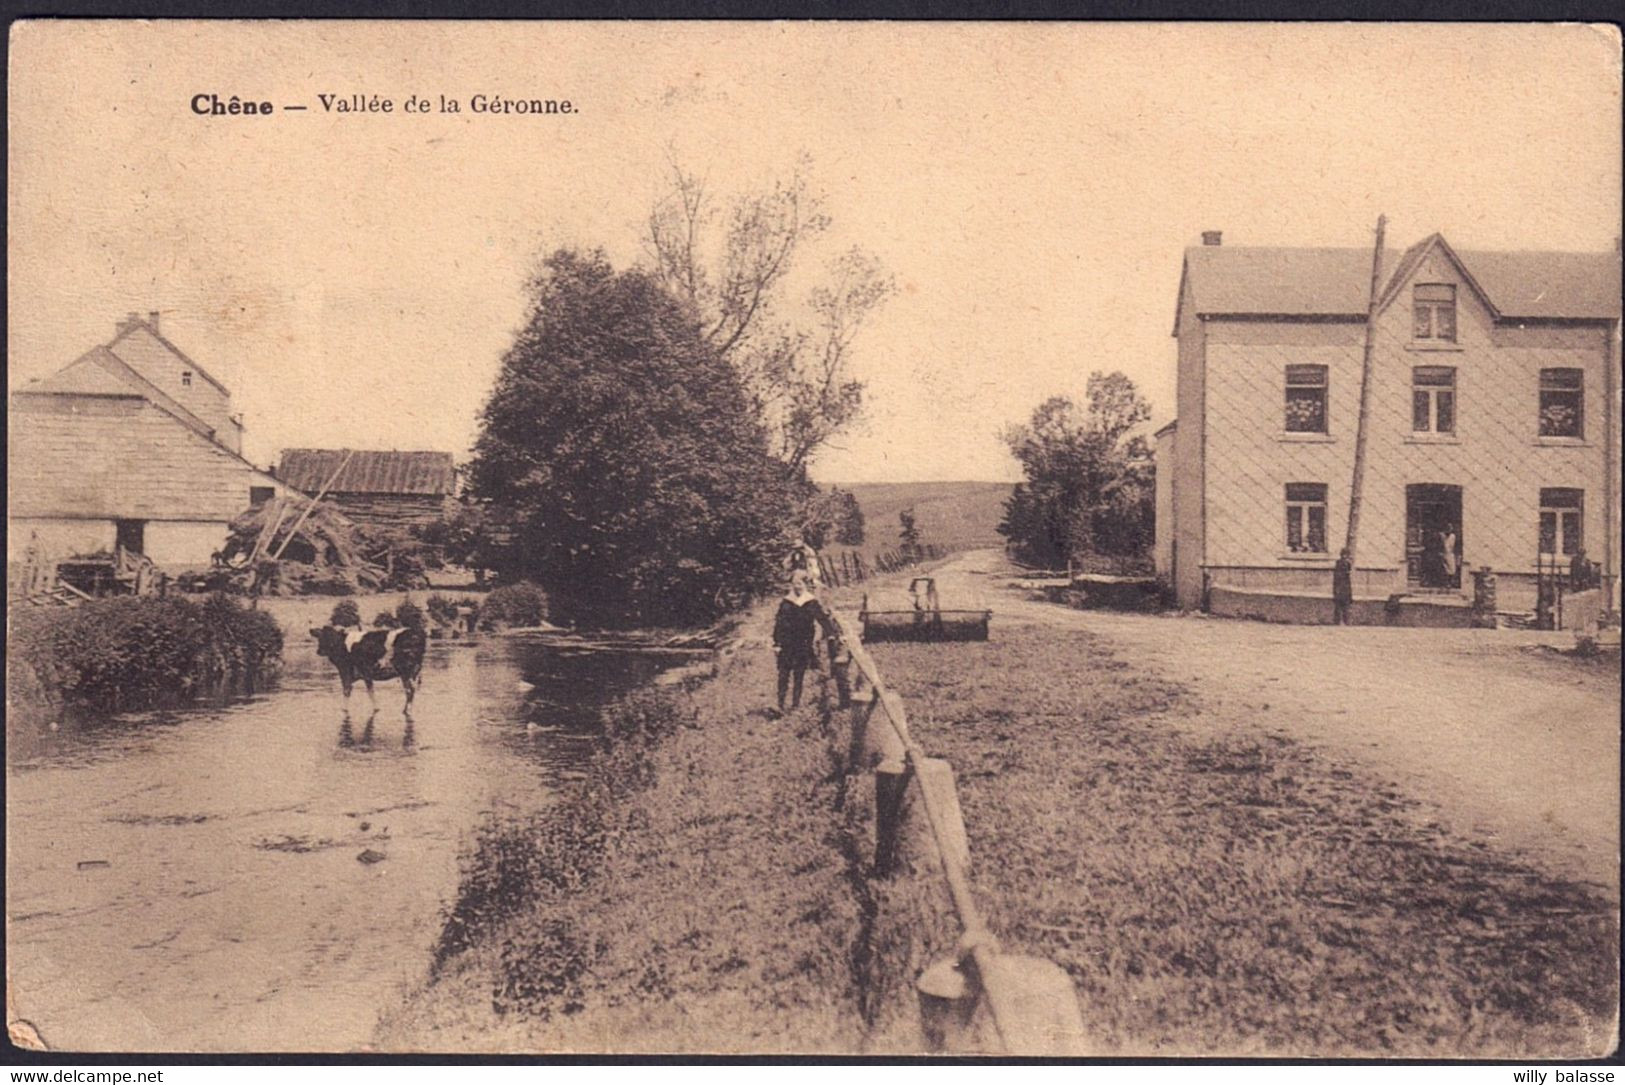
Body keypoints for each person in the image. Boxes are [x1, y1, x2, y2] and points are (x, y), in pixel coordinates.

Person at [772, 570, 828, 713]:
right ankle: (780, 704)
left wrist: (835, 634)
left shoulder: (811, 602)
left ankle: (795, 705)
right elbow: (779, 623)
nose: (797, 587)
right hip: (787, 643)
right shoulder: (786, 602)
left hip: (803, 643)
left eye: (800, 584)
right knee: (783, 674)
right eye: (795, 584)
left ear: (806, 585)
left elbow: (822, 619)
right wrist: (777, 643)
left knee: (799, 674)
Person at [1332, 547, 1354, 625]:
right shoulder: (1340, 564)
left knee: (1344, 606)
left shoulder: (1345, 563)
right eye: (1345, 555)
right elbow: (1338, 577)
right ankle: (1339, 621)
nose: (1346, 557)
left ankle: (1344, 621)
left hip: (1344, 588)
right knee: (1340, 605)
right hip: (1341, 588)